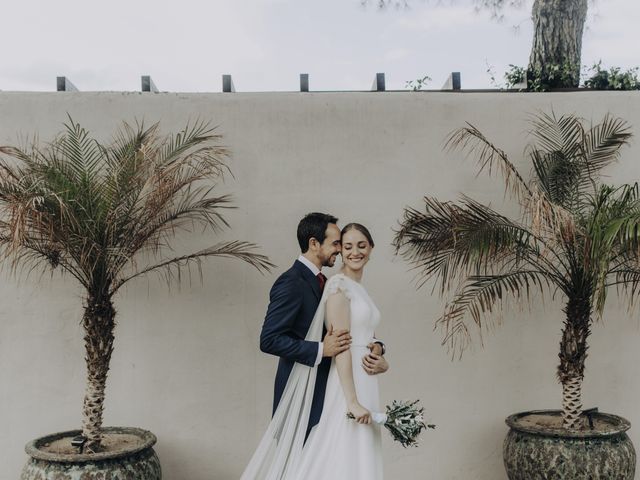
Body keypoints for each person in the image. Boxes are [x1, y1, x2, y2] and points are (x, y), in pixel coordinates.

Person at [242, 218, 388, 479]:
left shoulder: (327, 281)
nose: (341, 250)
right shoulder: (293, 281)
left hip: (332, 382)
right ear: (314, 243)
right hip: (304, 388)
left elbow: (351, 327)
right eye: (337, 244)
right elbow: (269, 339)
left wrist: (378, 347)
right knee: (306, 466)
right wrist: (321, 349)